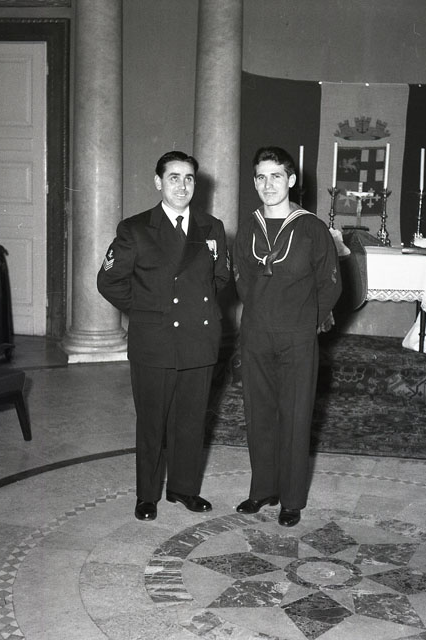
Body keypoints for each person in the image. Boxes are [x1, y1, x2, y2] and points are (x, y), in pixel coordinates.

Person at [97, 151, 230, 521]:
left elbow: (221, 276)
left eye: (189, 178)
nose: (182, 186)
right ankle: (147, 495)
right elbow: (108, 281)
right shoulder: (136, 228)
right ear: (158, 182)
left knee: (191, 419)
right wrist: (149, 311)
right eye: (174, 178)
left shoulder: (212, 227)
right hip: (154, 341)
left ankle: (184, 489)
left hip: (198, 339)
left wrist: (195, 310)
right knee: (152, 422)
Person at [232, 146, 342, 527]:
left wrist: (305, 321)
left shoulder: (311, 228)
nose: (268, 185)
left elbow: (331, 283)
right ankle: (263, 488)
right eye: (261, 177)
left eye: (276, 176)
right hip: (256, 334)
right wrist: (262, 313)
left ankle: (292, 498)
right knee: (258, 412)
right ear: (254, 182)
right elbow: (242, 279)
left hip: (297, 336)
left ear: (291, 180)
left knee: (295, 415)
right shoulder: (249, 227)